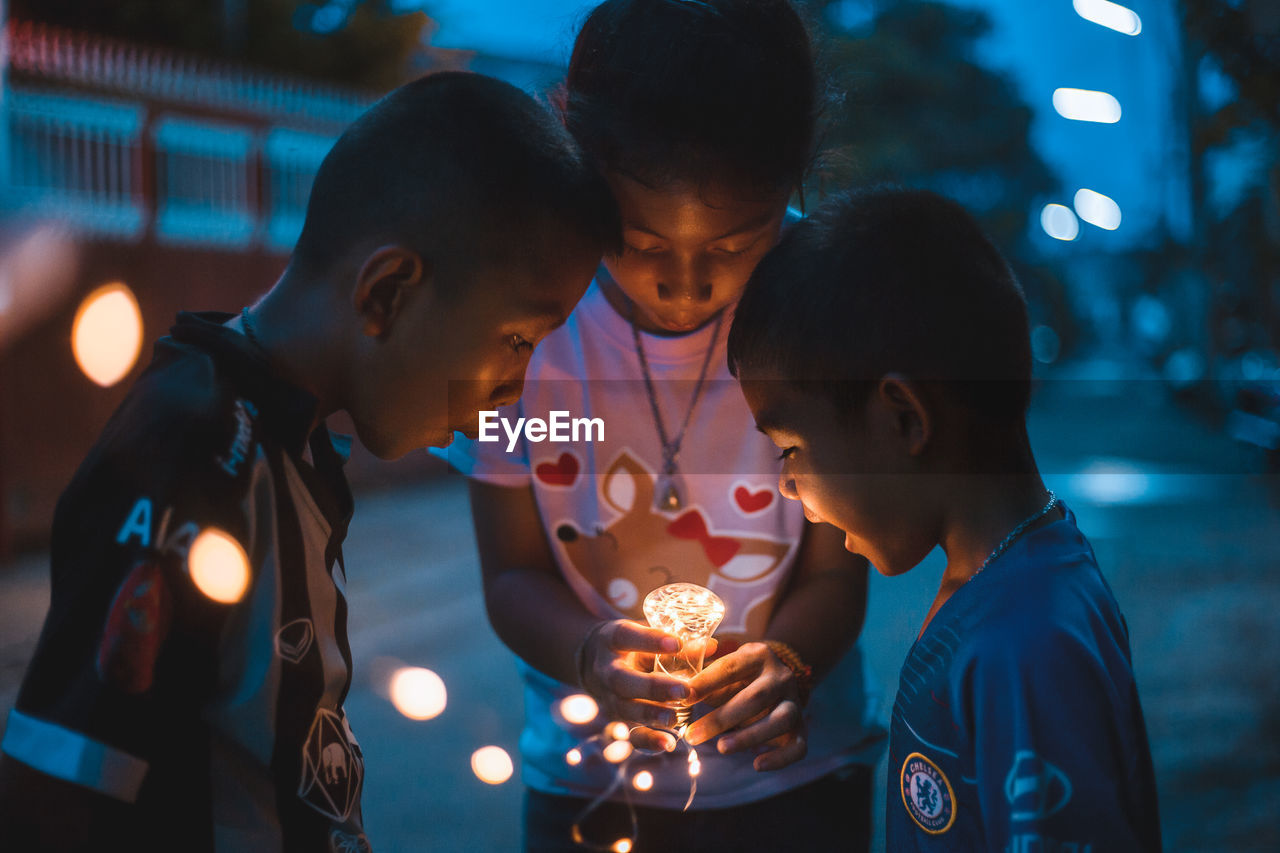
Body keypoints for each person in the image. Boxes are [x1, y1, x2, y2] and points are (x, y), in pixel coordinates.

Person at [0, 71, 617, 852]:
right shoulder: (196, 450)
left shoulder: (288, 439)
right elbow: (56, 791)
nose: (514, 389)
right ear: (387, 293)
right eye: (519, 340)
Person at [447, 2, 884, 850]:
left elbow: (838, 576)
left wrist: (786, 662)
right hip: (592, 789)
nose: (685, 289)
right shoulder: (517, 338)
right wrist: (587, 657)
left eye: (732, 247)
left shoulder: (818, 317)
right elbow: (510, 575)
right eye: (643, 243)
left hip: (798, 784)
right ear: (576, 158)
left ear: (791, 185)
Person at [726, 186, 1162, 851]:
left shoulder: (1025, 646)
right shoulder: (1010, 583)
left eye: (792, 448)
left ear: (904, 417)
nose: (785, 484)